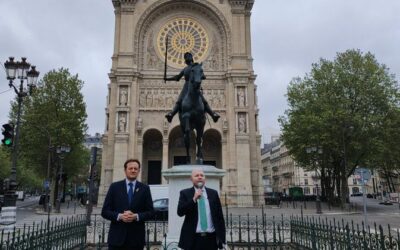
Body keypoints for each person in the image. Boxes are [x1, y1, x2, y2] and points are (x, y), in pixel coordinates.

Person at [101, 159, 154, 250]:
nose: (133, 170)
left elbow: (151, 212)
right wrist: (120, 216)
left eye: (135, 168)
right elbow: (105, 211)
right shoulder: (115, 187)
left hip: (136, 240)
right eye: (130, 168)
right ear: (125, 170)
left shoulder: (145, 188)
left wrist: (136, 216)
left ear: (138, 171)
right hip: (116, 239)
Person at [177, 168, 226, 250]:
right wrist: (194, 199)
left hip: (211, 239)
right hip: (193, 239)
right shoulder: (185, 193)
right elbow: (180, 212)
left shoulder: (213, 193)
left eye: (202, 175)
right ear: (191, 179)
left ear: (205, 178)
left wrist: (223, 239)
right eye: (196, 175)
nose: (200, 177)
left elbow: (219, 217)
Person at [164, 52, 220, 123]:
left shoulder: (196, 66)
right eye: (186, 56)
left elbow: (203, 75)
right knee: (179, 100)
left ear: (191, 58)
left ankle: (212, 114)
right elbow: (177, 77)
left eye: (188, 56)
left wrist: (199, 77)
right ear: (185, 60)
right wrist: (167, 79)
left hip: (194, 86)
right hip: (186, 87)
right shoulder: (185, 69)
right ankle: (171, 114)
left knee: (204, 101)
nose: (187, 57)